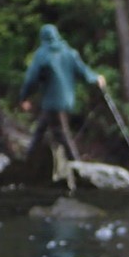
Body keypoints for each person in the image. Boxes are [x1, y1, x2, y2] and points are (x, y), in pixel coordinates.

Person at [19, 24, 106, 161]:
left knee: (60, 133)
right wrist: (96, 78)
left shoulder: (42, 55)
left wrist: (24, 97)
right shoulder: (70, 53)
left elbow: (31, 79)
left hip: (53, 101)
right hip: (67, 101)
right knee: (41, 129)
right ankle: (28, 158)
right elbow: (84, 72)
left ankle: (76, 164)